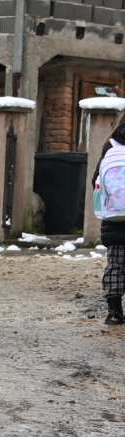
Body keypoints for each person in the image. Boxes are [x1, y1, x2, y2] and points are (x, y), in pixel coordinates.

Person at [95, 118, 125, 326]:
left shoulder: (110, 144)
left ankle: (114, 311)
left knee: (115, 264)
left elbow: (95, 181)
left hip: (113, 220)